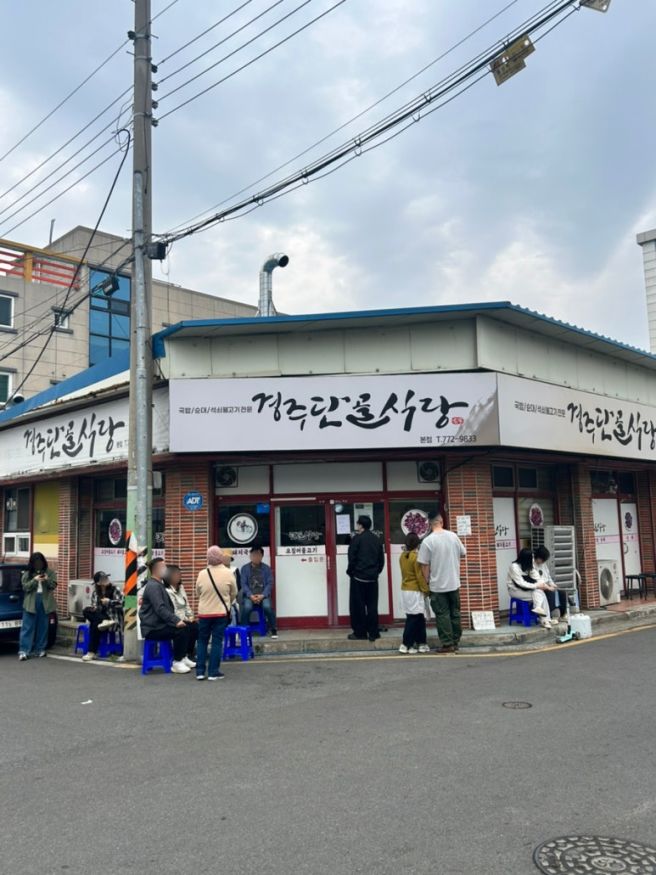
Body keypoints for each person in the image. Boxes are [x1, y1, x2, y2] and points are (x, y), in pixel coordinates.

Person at [417, 514, 466, 653]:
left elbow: (424, 565)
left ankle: (447, 644)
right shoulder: (453, 536)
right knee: (455, 613)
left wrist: (426, 582)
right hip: (454, 582)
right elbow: (463, 553)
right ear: (441, 522)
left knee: (442, 614)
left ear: (429, 524)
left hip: (437, 585)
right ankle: (456, 641)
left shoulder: (428, 541)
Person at [139, 557, 192, 674]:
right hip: (153, 628)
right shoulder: (153, 586)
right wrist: (176, 621)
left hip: (160, 625)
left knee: (188, 626)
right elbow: (160, 608)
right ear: (156, 570)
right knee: (181, 630)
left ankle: (182, 657)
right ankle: (177, 662)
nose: (166, 569)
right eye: (163, 567)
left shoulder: (159, 584)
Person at [195, 546, 238, 681]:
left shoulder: (202, 573)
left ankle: (200, 671)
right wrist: (227, 602)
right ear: (220, 557)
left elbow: (198, 592)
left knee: (202, 641)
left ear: (208, 558)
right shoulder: (228, 573)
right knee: (217, 642)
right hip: (220, 613)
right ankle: (213, 672)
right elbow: (234, 592)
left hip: (204, 613)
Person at [347, 515, 385, 642]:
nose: (357, 526)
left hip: (358, 578)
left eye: (358, 524)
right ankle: (373, 632)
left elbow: (351, 558)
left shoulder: (356, 539)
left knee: (358, 607)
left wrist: (351, 572)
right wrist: (376, 572)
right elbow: (381, 560)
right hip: (373, 579)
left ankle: (360, 632)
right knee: (372, 606)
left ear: (360, 525)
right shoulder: (376, 539)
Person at [18, 552, 57, 661]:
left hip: (45, 601)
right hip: (31, 601)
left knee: (43, 626)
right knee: (28, 627)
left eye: (40, 562)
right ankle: (24, 651)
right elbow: (25, 587)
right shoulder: (28, 573)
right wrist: (35, 580)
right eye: (36, 563)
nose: (38, 565)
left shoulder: (49, 572)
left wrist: (47, 579)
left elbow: (53, 585)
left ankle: (40, 649)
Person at [399, 532, 431, 654]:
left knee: (417, 617)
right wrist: (426, 590)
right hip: (415, 591)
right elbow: (419, 576)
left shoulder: (403, 556)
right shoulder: (416, 557)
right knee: (414, 618)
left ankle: (420, 642)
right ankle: (406, 643)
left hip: (405, 589)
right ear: (417, 544)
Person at [81, 571, 124, 662]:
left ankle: (91, 652)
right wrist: (94, 608)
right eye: (103, 579)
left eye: (106, 578)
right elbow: (94, 606)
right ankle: (104, 620)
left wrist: (110, 602)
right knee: (86, 611)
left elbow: (123, 603)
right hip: (101, 619)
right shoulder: (96, 593)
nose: (106, 580)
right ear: (98, 583)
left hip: (113, 619)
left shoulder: (115, 589)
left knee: (95, 624)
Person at [507, 548, 552, 629]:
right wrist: (537, 586)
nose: (532, 560)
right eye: (531, 558)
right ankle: (545, 620)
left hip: (527, 590)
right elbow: (521, 583)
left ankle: (542, 615)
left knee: (540, 592)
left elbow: (537, 577)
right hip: (515, 590)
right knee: (540, 594)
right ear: (525, 559)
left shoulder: (529, 565)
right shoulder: (514, 567)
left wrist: (544, 585)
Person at [240, 546, 278, 639]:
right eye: (254, 555)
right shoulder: (245, 568)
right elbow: (243, 584)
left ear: (262, 556)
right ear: (250, 556)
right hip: (249, 596)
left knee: (267, 607)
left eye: (258, 555)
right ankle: (244, 630)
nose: (256, 557)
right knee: (247, 607)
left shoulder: (266, 568)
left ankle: (273, 629)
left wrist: (263, 595)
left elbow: (270, 583)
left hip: (263, 595)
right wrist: (250, 595)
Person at [165, 565, 198, 666]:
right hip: (174, 619)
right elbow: (173, 609)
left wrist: (190, 616)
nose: (179, 577)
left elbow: (186, 604)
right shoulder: (167, 591)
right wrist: (184, 619)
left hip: (185, 617)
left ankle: (188, 654)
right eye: (176, 575)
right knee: (185, 628)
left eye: (179, 575)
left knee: (196, 627)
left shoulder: (181, 587)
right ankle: (179, 657)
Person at [533, 546, 567, 624]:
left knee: (562, 592)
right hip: (538, 586)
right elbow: (537, 579)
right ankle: (552, 614)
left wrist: (552, 584)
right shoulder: (532, 565)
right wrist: (548, 587)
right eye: (541, 559)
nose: (542, 562)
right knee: (551, 592)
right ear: (537, 557)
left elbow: (548, 577)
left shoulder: (543, 564)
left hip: (546, 584)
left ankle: (562, 614)